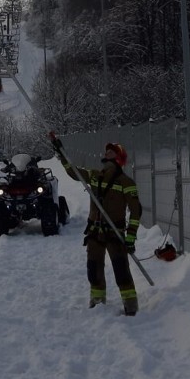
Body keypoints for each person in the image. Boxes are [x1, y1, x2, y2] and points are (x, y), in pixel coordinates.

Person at [50, 135, 142, 315]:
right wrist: (61, 153)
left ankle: (131, 307)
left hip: (115, 233)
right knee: (93, 271)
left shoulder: (126, 183)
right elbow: (73, 171)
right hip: (94, 233)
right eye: (107, 150)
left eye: (111, 151)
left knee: (122, 273)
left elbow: (136, 212)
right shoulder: (94, 176)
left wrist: (130, 238)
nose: (106, 152)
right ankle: (97, 303)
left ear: (118, 158)